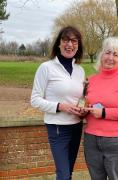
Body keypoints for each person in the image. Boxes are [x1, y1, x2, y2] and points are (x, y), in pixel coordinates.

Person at [31, 26, 85, 180]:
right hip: (57, 128)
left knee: (68, 172)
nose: (70, 44)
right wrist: (60, 106)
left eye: (74, 41)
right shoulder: (46, 68)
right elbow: (35, 100)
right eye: (65, 40)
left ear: (78, 45)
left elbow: (79, 98)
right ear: (58, 43)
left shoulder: (80, 70)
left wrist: (82, 109)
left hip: (76, 126)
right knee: (63, 173)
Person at [83, 37, 118, 180]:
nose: (110, 58)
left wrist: (103, 112)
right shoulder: (90, 80)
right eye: (108, 52)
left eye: (115, 54)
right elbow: (86, 106)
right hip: (91, 140)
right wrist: (82, 112)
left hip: (117, 141)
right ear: (101, 54)